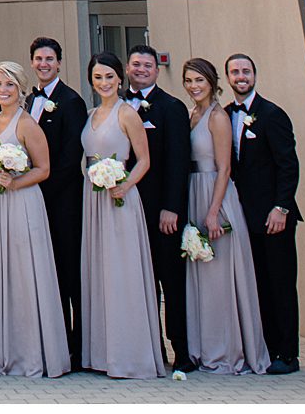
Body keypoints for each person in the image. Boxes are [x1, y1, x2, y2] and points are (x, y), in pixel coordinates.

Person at [0, 61, 67, 378]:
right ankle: (3, 349)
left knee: (24, 272)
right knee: (0, 272)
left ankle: (31, 352)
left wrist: (16, 182)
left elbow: (44, 169)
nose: (3, 90)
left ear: (21, 88)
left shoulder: (27, 124)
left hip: (22, 201)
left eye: (10, 85)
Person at [180, 59, 269, 375]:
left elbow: (225, 167)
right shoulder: (192, 114)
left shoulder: (218, 117)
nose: (194, 86)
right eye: (189, 80)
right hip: (194, 192)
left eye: (199, 80)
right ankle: (204, 347)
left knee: (219, 278)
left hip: (214, 195)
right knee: (202, 278)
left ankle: (226, 350)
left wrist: (213, 212)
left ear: (212, 82)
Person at [79, 53, 164, 380]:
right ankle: (103, 353)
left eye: (109, 77)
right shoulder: (91, 114)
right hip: (93, 198)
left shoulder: (127, 113)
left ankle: (129, 354)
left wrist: (125, 185)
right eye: (98, 77)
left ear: (120, 79)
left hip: (119, 198)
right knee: (99, 271)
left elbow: (144, 160)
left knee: (122, 272)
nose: (104, 83)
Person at [225, 53, 301, 375]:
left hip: (274, 217)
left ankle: (288, 354)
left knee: (280, 284)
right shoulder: (225, 115)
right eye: (235, 72)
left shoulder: (272, 114)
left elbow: (289, 165)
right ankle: (267, 350)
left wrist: (281, 207)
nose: (241, 76)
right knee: (257, 285)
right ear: (228, 78)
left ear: (254, 75)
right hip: (243, 217)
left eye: (246, 71)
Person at [125, 42, 193, 370]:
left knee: (171, 281)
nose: (140, 70)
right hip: (126, 209)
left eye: (147, 65)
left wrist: (172, 207)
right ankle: (152, 350)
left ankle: (181, 350)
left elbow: (179, 163)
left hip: (161, 211)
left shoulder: (171, 107)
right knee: (141, 281)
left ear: (156, 70)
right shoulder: (117, 105)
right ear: (127, 68)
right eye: (135, 64)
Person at [26, 36, 86, 358]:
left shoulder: (71, 101)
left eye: (49, 59)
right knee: (48, 272)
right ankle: (55, 342)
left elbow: (70, 157)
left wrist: (39, 186)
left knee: (69, 270)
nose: (44, 64)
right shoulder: (27, 101)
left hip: (63, 201)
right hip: (35, 200)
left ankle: (78, 346)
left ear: (59, 63)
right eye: (39, 59)